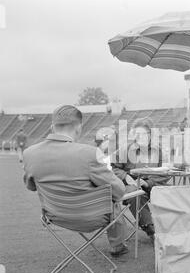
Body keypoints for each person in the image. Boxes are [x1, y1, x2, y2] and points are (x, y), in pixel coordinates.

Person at [23, 105, 129, 257]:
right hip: (92, 218)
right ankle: (117, 246)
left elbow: (31, 186)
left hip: (55, 217)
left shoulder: (29, 154)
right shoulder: (90, 153)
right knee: (114, 200)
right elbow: (119, 191)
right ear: (79, 127)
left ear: (52, 127)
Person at [112, 119, 171, 241]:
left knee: (171, 193)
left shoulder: (158, 151)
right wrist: (125, 176)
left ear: (151, 135)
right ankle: (150, 229)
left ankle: (175, 229)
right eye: (137, 134)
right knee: (135, 195)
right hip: (132, 186)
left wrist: (147, 183)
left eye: (144, 134)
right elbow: (112, 168)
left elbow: (165, 173)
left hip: (152, 186)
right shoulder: (125, 150)